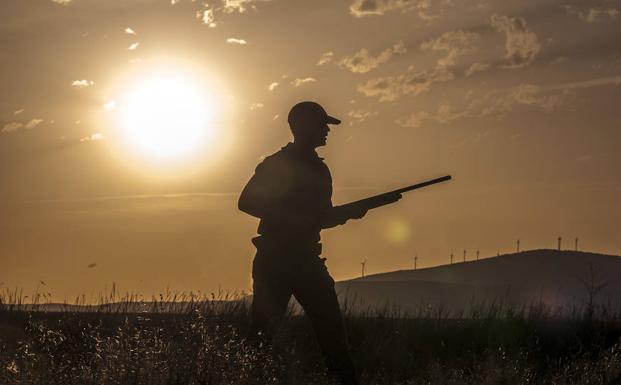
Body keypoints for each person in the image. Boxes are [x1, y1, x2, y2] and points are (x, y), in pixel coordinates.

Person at [238, 101, 400, 385]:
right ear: (300, 126)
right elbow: (246, 202)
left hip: (306, 260)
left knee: (333, 338)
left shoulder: (320, 170)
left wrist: (351, 213)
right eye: (321, 123)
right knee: (262, 338)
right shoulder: (278, 164)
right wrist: (296, 219)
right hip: (275, 261)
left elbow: (321, 218)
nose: (326, 130)